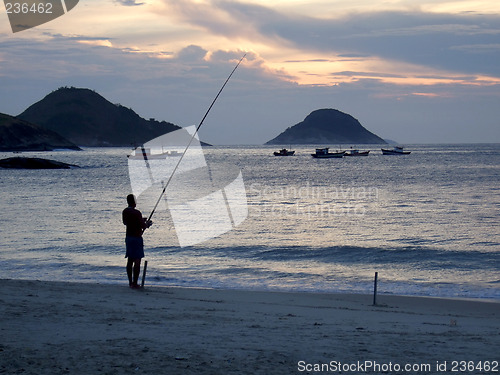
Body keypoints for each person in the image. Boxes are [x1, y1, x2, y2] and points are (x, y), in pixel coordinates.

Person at [122, 194, 152, 289]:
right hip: (137, 238)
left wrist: (140, 221)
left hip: (129, 238)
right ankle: (135, 283)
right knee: (137, 260)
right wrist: (147, 224)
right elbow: (143, 226)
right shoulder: (137, 213)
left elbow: (126, 222)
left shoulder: (125, 212)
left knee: (130, 260)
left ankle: (130, 282)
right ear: (134, 202)